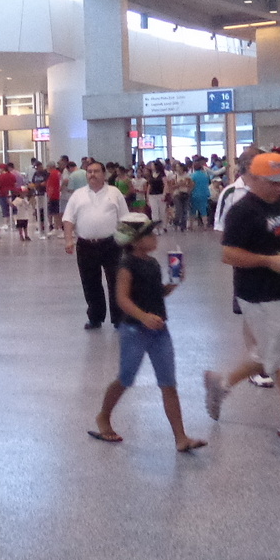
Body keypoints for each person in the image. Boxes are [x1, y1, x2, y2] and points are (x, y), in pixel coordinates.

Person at [203, 153, 280, 442]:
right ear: (253, 179)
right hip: (257, 292)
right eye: (272, 182)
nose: (279, 187)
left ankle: (221, 383)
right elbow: (228, 254)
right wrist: (267, 261)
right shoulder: (242, 211)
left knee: (273, 348)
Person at [90, 213, 207, 452]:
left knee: (168, 383)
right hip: (135, 330)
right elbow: (122, 299)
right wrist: (143, 317)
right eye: (150, 234)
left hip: (159, 330)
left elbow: (157, 294)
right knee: (125, 378)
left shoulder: (152, 263)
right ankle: (103, 416)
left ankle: (181, 437)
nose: (155, 237)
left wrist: (173, 283)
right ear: (134, 240)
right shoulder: (126, 265)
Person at [61, 161, 129, 330]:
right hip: (85, 245)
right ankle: (95, 317)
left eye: (96, 171)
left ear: (104, 174)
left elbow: (125, 218)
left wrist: (128, 242)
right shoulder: (78, 195)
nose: (92, 174)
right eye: (89, 172)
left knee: (115, 281)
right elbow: (68, 218)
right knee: (90, 282)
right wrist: (68, 239)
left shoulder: (115, 193)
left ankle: (119, 318)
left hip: (111, 244)